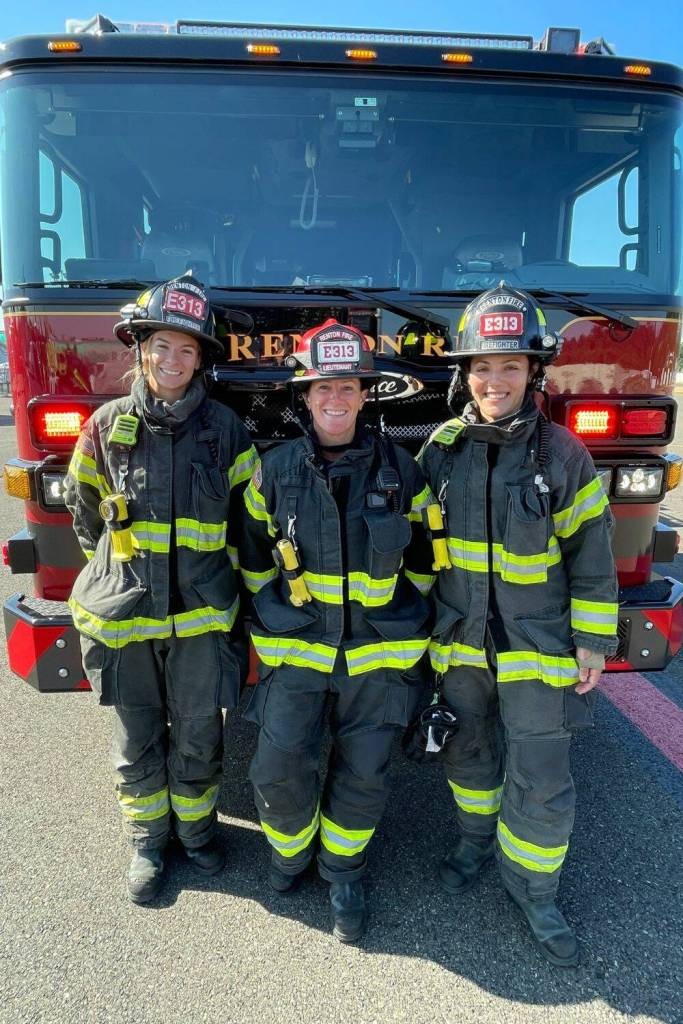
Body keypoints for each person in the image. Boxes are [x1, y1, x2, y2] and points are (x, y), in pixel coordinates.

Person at [418, 283, 618, 968]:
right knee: (468, 757)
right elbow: (417, 550)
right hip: (460, 644)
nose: (494, 380)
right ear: (465, 374)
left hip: (539, 648)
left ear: (533, 371)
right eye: (482, 366)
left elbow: (592, 555)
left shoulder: (562, 454)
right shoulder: (441, 451)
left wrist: (592, 641)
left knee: (541, 775)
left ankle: (535, 891)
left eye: (510, 365)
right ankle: (476, 843)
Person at [239, 319, 435, 942]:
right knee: (275, 769)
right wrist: (278, 617)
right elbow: (252, 561)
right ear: (305, 395)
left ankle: (343, 872)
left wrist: (396, 623)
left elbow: (426, 563)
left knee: (365, 774)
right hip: (298, 652)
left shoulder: (403, 472)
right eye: (323, 386)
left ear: (364, 395)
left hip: (377, 659)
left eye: (348, 386)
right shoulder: (272, 472)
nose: (335, 398)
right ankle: (289, 858)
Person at [64, 274, 257, 904]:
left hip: (200, 619)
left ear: (200, 360)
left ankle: (196, 833)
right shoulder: (104, 427)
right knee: (136, 737)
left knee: (200, 733)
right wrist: (120, 574)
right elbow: (84, 511)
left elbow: (247, 525)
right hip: (126, 617)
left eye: (187, 350)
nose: (173, 360)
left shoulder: (227, 431)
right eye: (162, 347)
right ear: (141, 350)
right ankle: (148, 841)